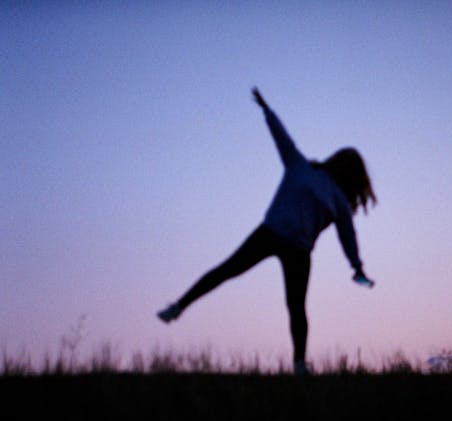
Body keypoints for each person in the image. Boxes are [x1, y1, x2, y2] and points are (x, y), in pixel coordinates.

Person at [157, 87, 376, 375]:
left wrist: (357, 267)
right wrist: (267, 110)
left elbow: (348, 237)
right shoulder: (300, 165)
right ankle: (178, 307)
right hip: (270, 233)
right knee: (227, 270)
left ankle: (299, 363)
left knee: (296, 306)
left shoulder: (337, 199)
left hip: (299, 250)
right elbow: (282, 138)